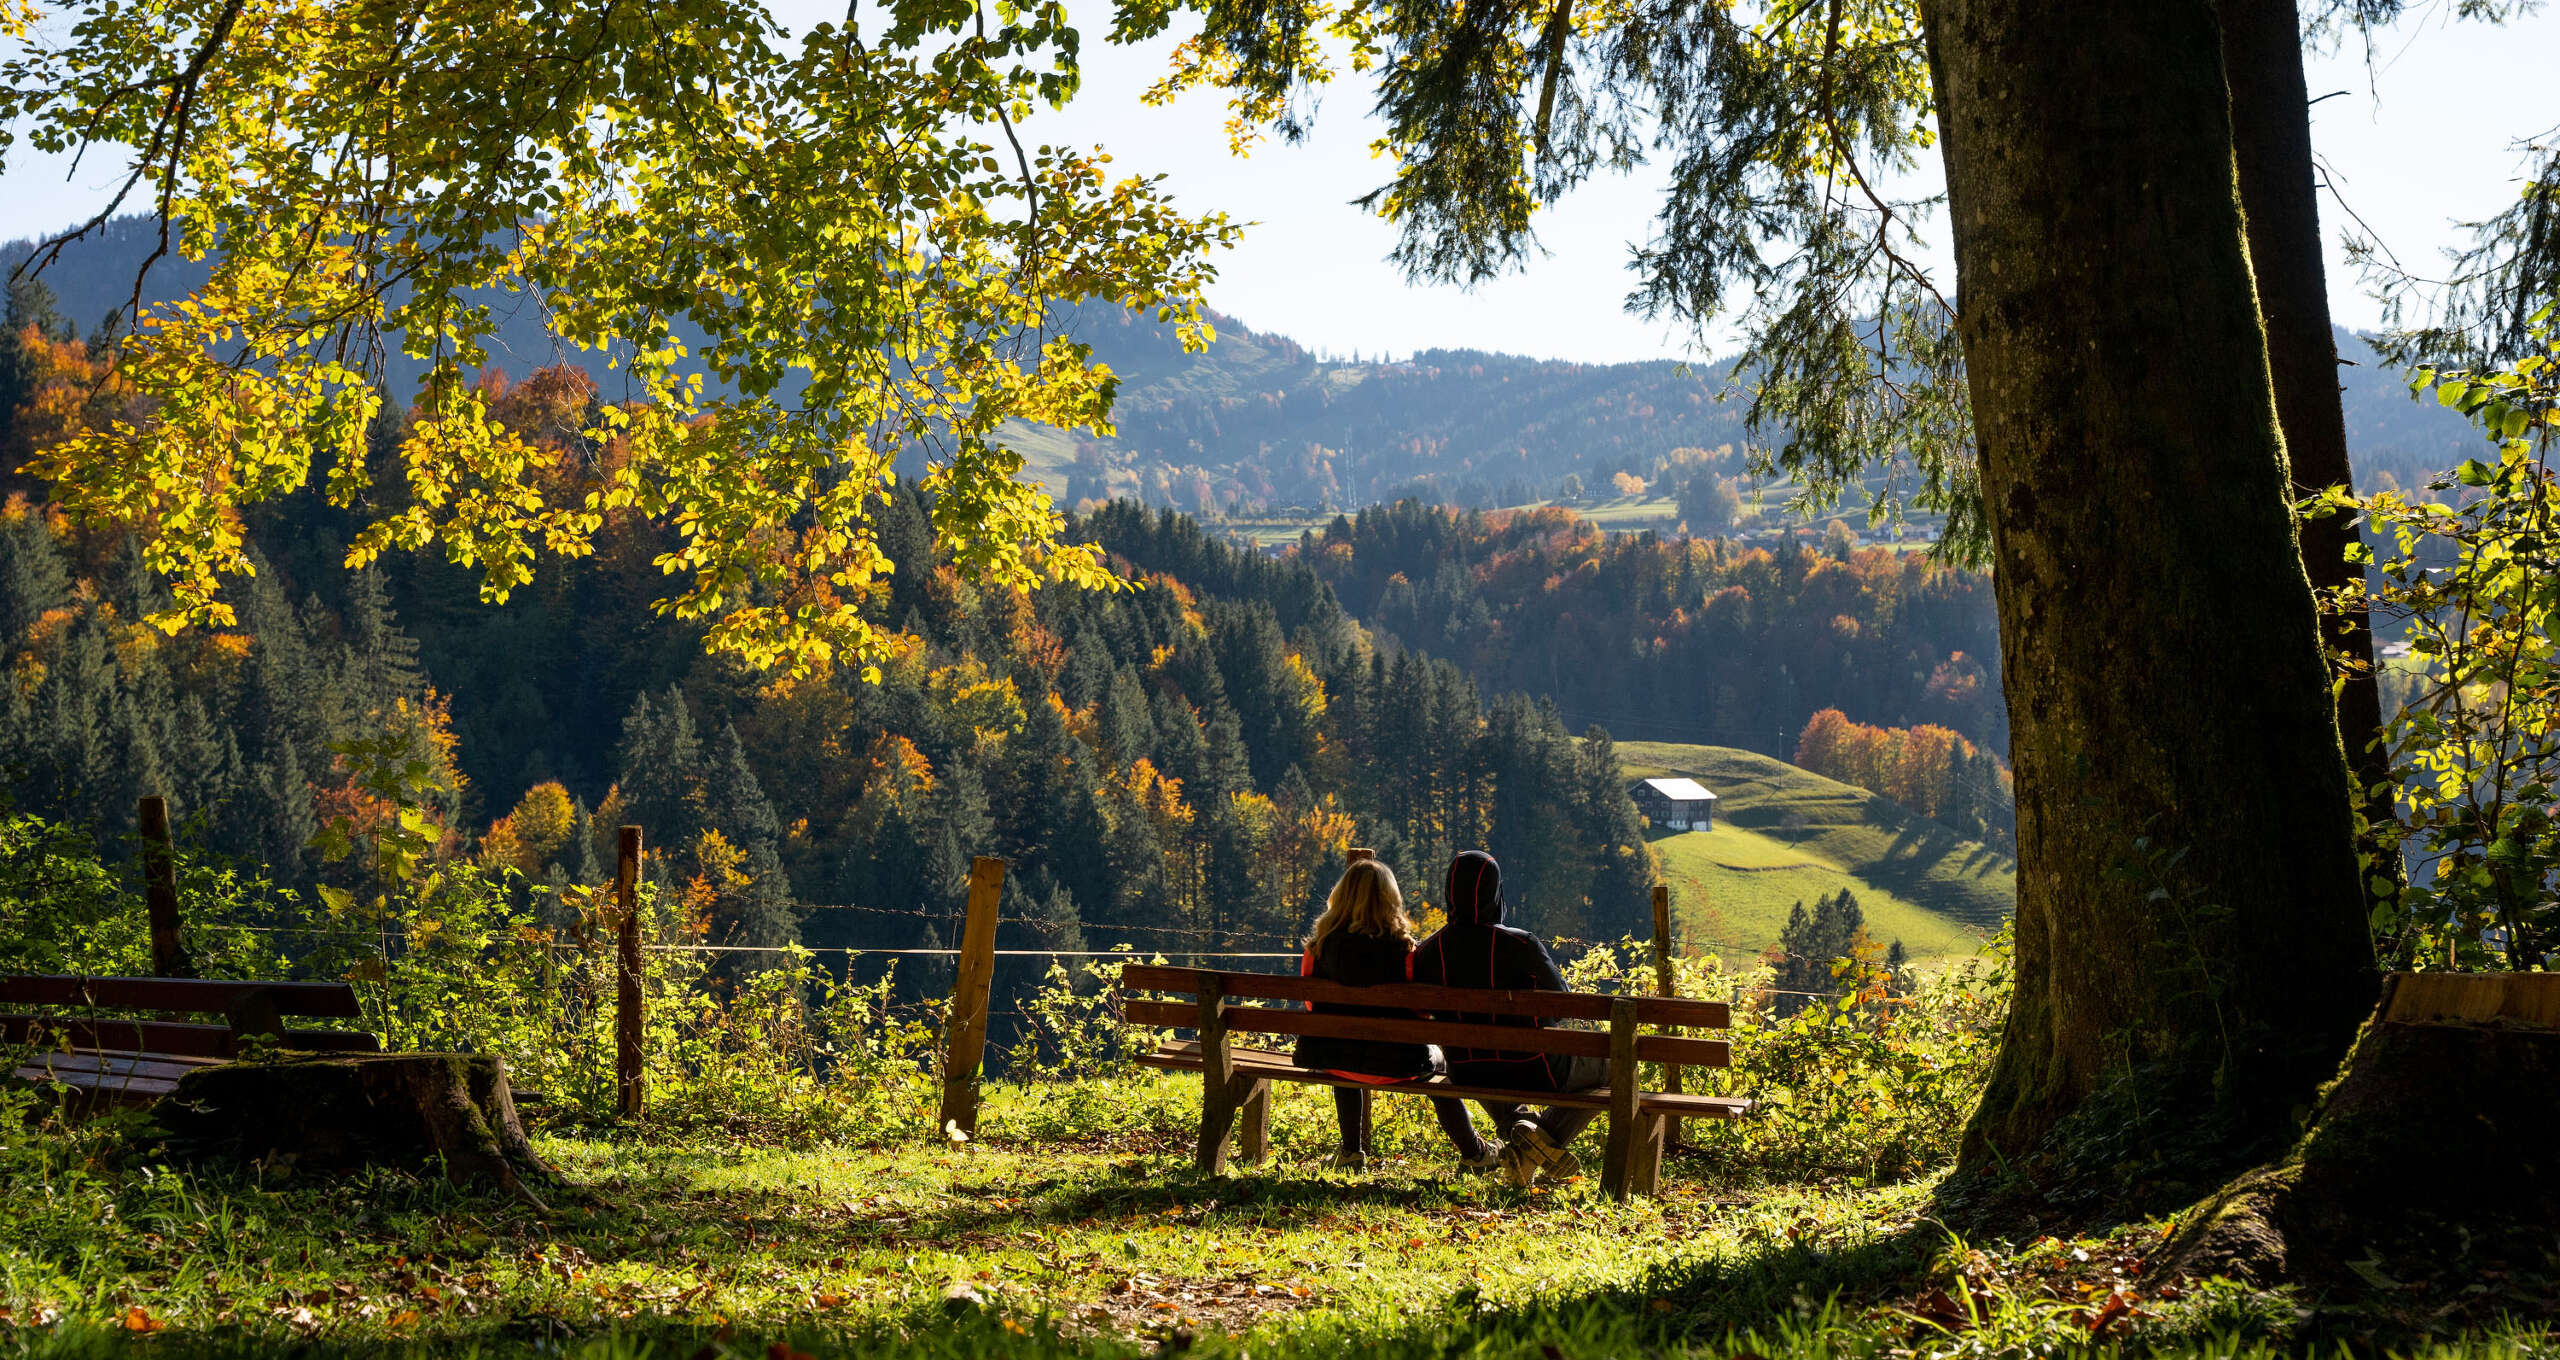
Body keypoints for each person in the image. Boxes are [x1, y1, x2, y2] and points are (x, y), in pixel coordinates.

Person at [1409, 849, 1604, 1187]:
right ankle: (1542, 1141)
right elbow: (1565, 1006)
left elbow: (1417, 1010)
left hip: (1469, 1070)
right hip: (1537, 1068)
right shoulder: (1521, 944)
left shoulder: (1429, 952)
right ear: (1494, 892)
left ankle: (1525, 1139)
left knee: (1486, 1064)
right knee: (1616, 1067)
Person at [1296, 858, 1501, 1172]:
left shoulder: (1317, 949)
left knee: (1343, 1043)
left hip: (1332, 1059)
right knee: (1441, 1065)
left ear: (1341, 896)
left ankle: (1351, 1153)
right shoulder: (1406, 952)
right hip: (1397, 1065)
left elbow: (1312, 1007)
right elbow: (1421, 1010)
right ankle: (1475, 1154)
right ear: (1390, 901)